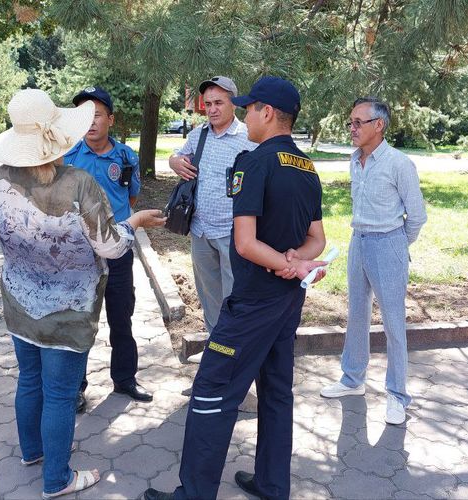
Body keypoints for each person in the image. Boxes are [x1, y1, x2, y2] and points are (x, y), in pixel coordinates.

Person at [143, 76, 327, 500]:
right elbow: (317, 238)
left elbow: (244, 243)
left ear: (267, 113)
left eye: (249, 108)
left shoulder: (254, 161)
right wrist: (297, 263)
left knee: (212, 390)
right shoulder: (307, 167)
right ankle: (271, 484)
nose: (245, 115)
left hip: (252, 303)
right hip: (286, 301)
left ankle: (194, 494)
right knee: (278, 392)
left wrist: (287, 263)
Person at [0, 89, 166, 498]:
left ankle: (33, 453)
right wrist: (133, 222)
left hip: (19, 299)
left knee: (29, 380)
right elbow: (112, 248)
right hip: (70, 308)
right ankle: (57, 479)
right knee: (60, 394)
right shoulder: (78, 184)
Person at [319, 96, 427, 426]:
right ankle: (352, 380)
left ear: (378, 125)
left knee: (394, 322)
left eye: (357, 122)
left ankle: (397, 395)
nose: (351, 128)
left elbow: (417, 216)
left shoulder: (399, 163)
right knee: (356, 314)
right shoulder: (354, 160)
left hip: (388, 244)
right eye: (350, 122)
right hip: (359, 241)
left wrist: (395, 245)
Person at [63, 86, 150, 410]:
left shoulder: (125, 156)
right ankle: (75, 387)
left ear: (110, 119)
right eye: (84, 115)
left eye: (97, 114)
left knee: (121, 317)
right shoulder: (68, 157)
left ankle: (125, 379)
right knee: (81, 321)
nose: (91, 122)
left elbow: (130, 199)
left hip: (118, 251)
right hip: (80, 254)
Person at [168, 76, 256, 333]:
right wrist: (174, 161)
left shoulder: (248, 138)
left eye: (219, 102)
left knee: (235, 298)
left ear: (234, 104)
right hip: (200, 230)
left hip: (234, 233)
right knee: (209, 297)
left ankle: (234, 352)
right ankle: (215, 350)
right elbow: (178, 155)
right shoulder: (198, 135)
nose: (212, 109)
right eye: (208, 104)